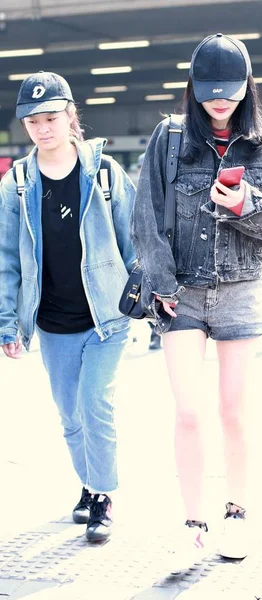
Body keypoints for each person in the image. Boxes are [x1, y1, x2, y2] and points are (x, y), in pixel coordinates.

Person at [132, 33, 262, 566]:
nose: (218, 100)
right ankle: (193, 522)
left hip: (241, 291)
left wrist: (247, 202)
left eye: (229, 90)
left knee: (234, 413)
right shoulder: (169, 136)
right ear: (193, 87)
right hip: (180, 291)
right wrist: (160, 284)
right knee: (188, 412)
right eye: (208, 90)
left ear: (247, 87)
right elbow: (146, 218)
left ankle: (237, 516)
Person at [0, 72, 136, 542]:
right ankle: (87, 482)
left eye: (51, 117)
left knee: (95, 403)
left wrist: (148, 294)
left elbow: (132, 239)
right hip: (53, 322)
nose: (43, 127)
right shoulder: (17, 183)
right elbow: (6, 259)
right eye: (33, 120)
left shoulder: (103, 172)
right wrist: (8, 324)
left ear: (71, 116)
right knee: (70, 415)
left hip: (107, 317)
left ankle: (102, 496)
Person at [136, 151, 162, 351]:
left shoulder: (164, 186)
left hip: (163, 245)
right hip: (145, 248)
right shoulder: (136, 188)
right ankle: (154, 331)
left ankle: (159, 332)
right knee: (148, 292)